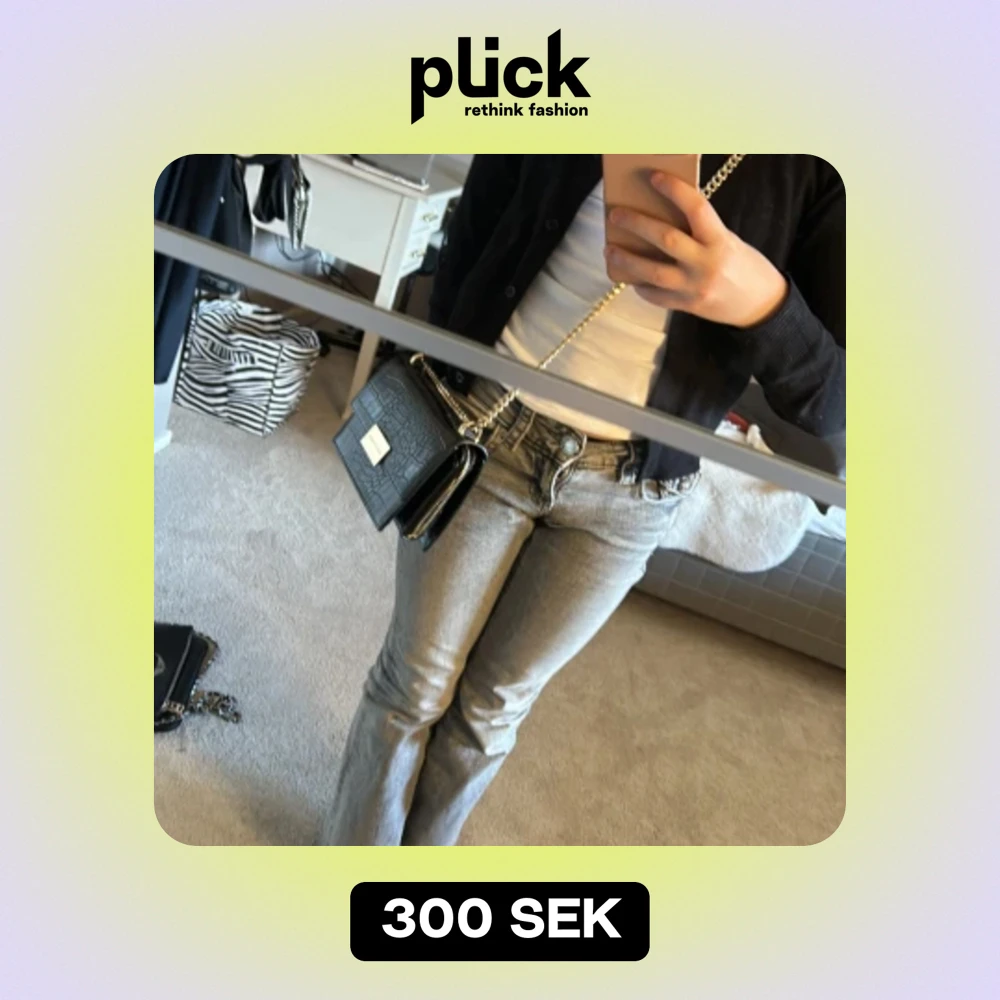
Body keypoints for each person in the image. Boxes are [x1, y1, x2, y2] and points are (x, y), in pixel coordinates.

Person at [318, 154, 845, 846]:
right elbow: (484, 207)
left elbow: (834, 403)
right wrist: (447, 371)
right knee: (411, 687)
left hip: (634, 491)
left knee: (491, 713)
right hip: (485, 422)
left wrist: (765, 304)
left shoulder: (819, 160)